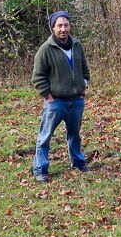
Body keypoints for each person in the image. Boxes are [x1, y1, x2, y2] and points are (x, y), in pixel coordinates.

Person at [31, 10, 89, 183]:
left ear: (70, 26)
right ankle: (40, 169)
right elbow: (38, 77)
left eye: (66, 25)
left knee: (74, 135)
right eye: (59, 26)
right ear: (53, 28)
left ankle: (78, 163)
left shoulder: (77, 45)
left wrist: (83, 86)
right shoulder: (45, 49)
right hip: (56, 103)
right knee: (45, 137)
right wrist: (48, 96)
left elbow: (85, 69)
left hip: (76, 101)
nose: (63, 29)